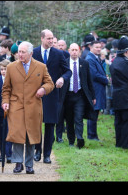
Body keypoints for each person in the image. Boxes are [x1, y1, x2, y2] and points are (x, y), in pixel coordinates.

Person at [2, 41, 54, 174]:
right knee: (17, 134)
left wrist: (43, 89)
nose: (20, 54)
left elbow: (50, 83)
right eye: (19, 51)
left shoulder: (41, 67)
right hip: (16, 106)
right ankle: (18, 163)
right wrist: (5, 102)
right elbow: (6, 88)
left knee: (31, 135)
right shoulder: (11, 67)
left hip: (33, 106)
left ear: (31, 53)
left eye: (23, 52)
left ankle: (29, 164)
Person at [32, 29, 72, 164]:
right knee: (36, 124)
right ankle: (37, 151)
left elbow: (68, 71)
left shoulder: (59, 54)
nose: (50, 41)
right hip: (36, 94)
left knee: (50, 125)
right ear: (42, 38)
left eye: (52, 38)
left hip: (52, 94)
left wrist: (62, 78)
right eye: (48, 38)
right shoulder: (34, 53)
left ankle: (47, 154)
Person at [61, 43, 96, 148]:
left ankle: (80, 138)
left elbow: (89, 80)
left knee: (79, 117)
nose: (74, 52)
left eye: (76, 50)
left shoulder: (84, 63)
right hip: (68, 95)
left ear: (79, 51)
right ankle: (71, 141)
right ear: (69, 51)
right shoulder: (65, 63)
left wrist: (93, 96)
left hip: (79, 95)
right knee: (69, 119)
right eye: (72, 50)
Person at [85, 40, 108, 141]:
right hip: (95, 89)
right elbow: (94, 75)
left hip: (98, 88)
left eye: (100, 47)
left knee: (95, 111)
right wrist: (106, 79)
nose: (99, 49)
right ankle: (91, 135)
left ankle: (93, 135)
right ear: (91, 47)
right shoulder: (90, 58)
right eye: (96, 47)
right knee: (93, 112)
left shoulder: (95, 57)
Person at [109, 36, 128, 149]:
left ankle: (119, 142)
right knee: (126, 121)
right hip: (126, 96)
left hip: (117, 95)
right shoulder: (125, 64)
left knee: (119, 120)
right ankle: (125, 144)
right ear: (126, 51)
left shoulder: (115, 62)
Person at [0, 59, 12, 163]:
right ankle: (2, 153)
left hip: (11, 111)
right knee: (1, 133)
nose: (3, 71)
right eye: (1, 69)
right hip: (0, 112)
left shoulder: (13, 81)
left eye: (5, 69)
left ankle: (9, 153)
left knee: (10, 132)